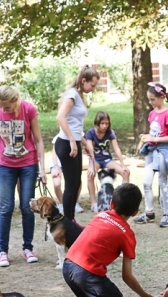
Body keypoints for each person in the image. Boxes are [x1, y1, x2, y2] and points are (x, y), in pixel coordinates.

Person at [0, 85, 46, 267]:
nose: (3, 110)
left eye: (7, 107)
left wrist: (42, 169)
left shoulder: (28, 109)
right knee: (6, 207)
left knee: (28, 207)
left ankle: (28, 248)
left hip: (28, 164)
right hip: (5, 165)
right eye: (1, 106)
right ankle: (2, 251)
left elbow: (39, 140)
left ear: (16, 99)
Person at [135, 82, 168, 228]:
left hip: (164, 151)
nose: (150, 102)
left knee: (162, 181)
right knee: (146, 182)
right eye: (149, 99)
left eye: (152, 99)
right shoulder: (152, 113)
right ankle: (149, 213)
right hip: (152, 150)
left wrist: (155, 139)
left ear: (161, 97)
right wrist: (148, 136)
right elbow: (155, 132)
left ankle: (167, 214)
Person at [55, 66, 99, 222]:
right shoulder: (73, 94)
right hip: (66, 144)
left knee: (76, 183)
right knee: (71, 185)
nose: (93, 89)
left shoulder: (79, 95)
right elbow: (60, 117)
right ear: (84, 81)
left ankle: (70, 220)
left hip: (73, 142)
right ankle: (66, 223)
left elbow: (75, 124)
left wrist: (85, 143)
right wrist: (73, 141)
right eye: (92, 85)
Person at [85, 111, 130, 212]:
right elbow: (90, 150)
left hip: (107, 160)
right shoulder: (90, 133)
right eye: (102, 123)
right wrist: (91, 166)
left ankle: (122, 202)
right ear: (97, 122)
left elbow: (116, 148)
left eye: (107, 123)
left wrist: (122, 164)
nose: (105, 126)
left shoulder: (110, 132)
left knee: (126, 173)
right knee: (90, 175)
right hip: (95, 160)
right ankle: (93, 202)